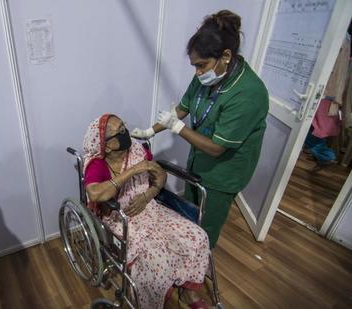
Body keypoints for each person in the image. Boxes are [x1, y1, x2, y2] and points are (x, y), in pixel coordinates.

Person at [132, 10, 269, 249]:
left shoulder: (249, 93)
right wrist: (150, 131)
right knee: (190, 212)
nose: (197, 72)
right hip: (199, 160)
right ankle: (185, 254)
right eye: (194, 66)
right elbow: (183, 108)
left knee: (206, 228)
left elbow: (217, 148)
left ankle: (198, 267)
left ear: (226, 55)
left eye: (201, 65)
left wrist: (177, 127)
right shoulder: (208, 74)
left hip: (223, 173)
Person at [83, 114, 210, 309]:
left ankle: (188, 294)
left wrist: (148, 194)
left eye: (124, 126)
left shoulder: (137, 150)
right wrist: (133, 171)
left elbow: (160, 175)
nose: (126, 133)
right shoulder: (98, 163)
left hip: (149, 206)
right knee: (158, 258)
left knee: (197, 236)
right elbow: (95, 194)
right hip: (120, 217)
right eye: (120, 132)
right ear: (106, 146)